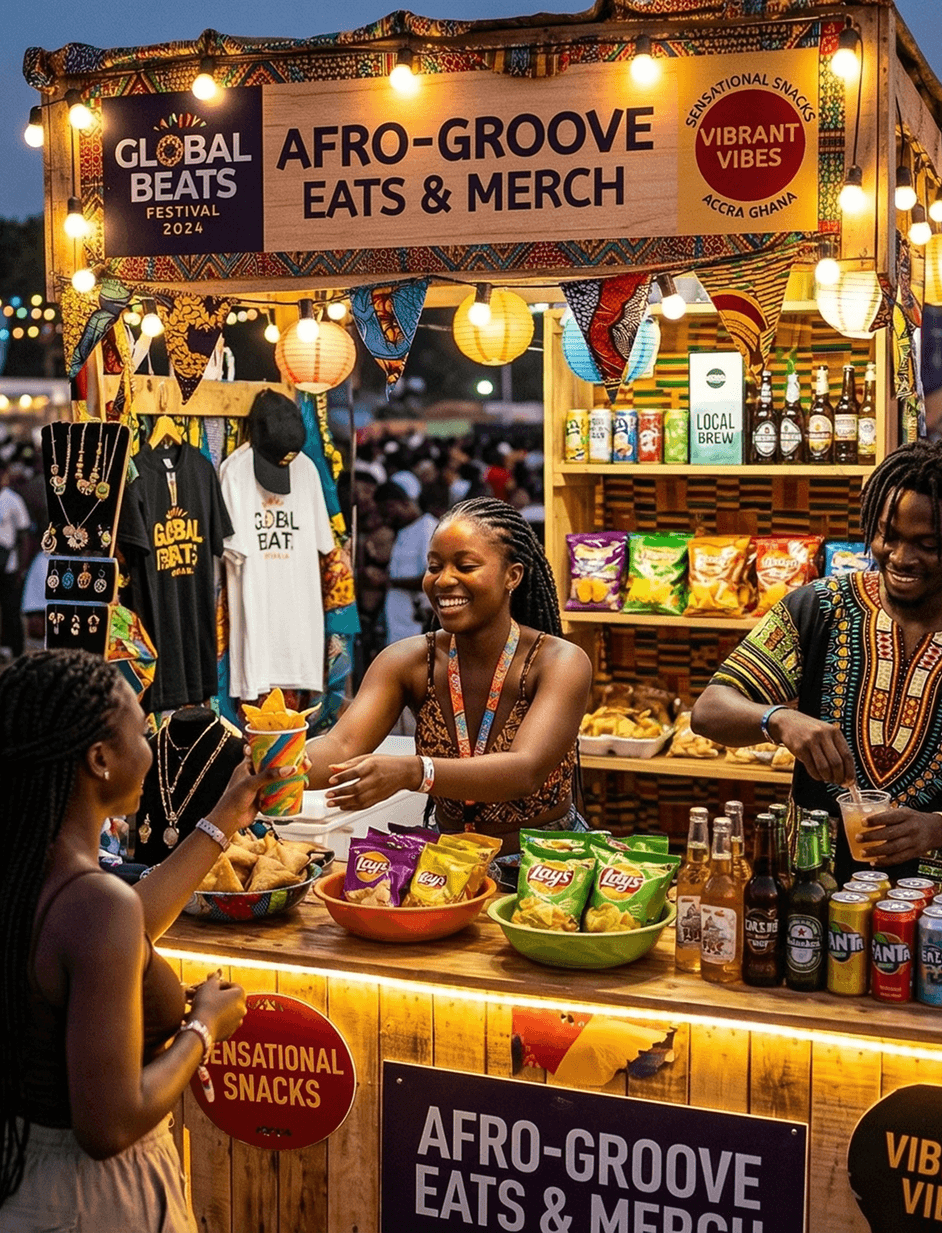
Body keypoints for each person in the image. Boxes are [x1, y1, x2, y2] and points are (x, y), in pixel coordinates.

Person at [0, 649, 287, 1230]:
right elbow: (108, 1123)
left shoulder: (36, 876)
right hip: (95, 1200)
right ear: (100, 758)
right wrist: (204, 1027)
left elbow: (130, 922)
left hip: (25, 1180)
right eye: (141, 729)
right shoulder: (93, 904)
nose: (154, 748)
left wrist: (224, 816)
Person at [692, 440, 942, 884]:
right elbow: (710, 710)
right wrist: (780, 720)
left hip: (930, 914)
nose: (901, 557)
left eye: (927, 544)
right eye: (888, 535)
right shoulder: (821, 607)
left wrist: (937, 829)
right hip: (812, 896)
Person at [304, 497, 592, 876]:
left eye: (466, 566)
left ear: (513, 576)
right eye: (434, 566)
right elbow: (341, 746)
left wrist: (414, 772)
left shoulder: (559, 661)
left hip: (548, 871)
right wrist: (273, 762)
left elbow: (526, 769)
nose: (443, 580)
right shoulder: (407, 661)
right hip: (445, 868)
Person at [376, 480, 438, 645]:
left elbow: (432, 578)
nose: (386, 518)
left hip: (418, 628)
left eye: (388, 511)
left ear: (404, 502)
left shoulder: (428, 528)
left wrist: (389, 582)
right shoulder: (403, 530)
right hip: (398, 630)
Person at [0, 462, 30, 660]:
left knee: (10, 608)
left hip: (8, 565)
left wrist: (22, 567)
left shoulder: (13, 500)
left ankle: (16, 650)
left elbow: (24, 535)